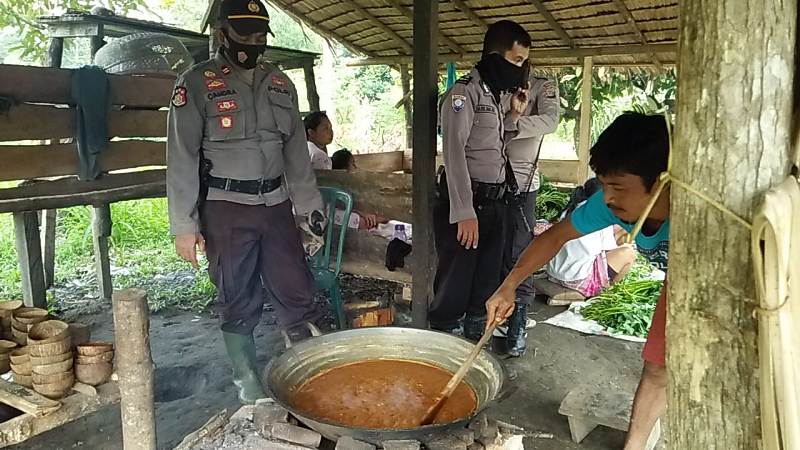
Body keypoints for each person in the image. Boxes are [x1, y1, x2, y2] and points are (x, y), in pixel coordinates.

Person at [166, 0, 327, 405]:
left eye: (260, 36)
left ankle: (307, 369)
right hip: (225, 208)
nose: (254, 44)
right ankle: (247, 379)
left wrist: (310, 211)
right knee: (236, 295)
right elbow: (181, 157)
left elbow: (296, 155)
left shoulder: (280, 84)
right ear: (223, 33)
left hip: (275, 205)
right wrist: (183, 227)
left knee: (296, 288)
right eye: (246, 36)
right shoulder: (196, 83)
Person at [485, 112, 670, 449]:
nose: (608, 197)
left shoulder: (697, 214)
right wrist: (508, 286)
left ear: (661, 183)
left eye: (618, 187)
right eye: (604, 185)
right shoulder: (611, 204)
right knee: (657, 369)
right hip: (677, 287)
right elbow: (554, 238)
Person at [432, 20, 531, 340]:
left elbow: (493, 144)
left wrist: (513, 117)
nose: (521, 69)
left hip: (494, 202)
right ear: (495, 55)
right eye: (516, 60)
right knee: (455, 282)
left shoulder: (495, 95)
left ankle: (475, 344)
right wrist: (463, 212)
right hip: (468, 203)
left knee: (486, 280)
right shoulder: (463, 93)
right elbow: (454, 152)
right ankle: (443, 342)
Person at [501, 63, 560, 357]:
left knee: (520, 252)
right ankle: (488, 315)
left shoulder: (541, 86)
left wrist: (511, 123)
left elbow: (550, 121)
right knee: (489, 249)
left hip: (523, 181)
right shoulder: (491, 86)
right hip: (489, 178)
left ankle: (518, 322)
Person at [327, 149, 386, 230]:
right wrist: (364, 214)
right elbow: (342, 204)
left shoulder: (351, 184)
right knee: (364, 221)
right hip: (336, 214)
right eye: (353, 164)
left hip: (347, 211)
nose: (356, 167)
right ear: (344, 169)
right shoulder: (337, 184)